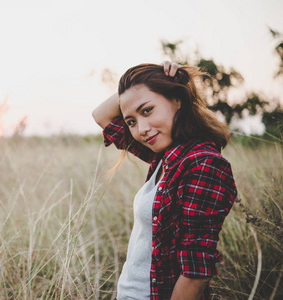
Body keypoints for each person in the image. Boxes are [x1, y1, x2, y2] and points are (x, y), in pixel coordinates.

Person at [92, 62, 237, 300]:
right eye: (131, 121)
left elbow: (195, 272)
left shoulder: (202, 164)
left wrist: (170, 79)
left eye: (147, 110)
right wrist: (148, 79)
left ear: (177, 100)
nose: (142, 129)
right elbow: (101, 115)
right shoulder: (165, 155)